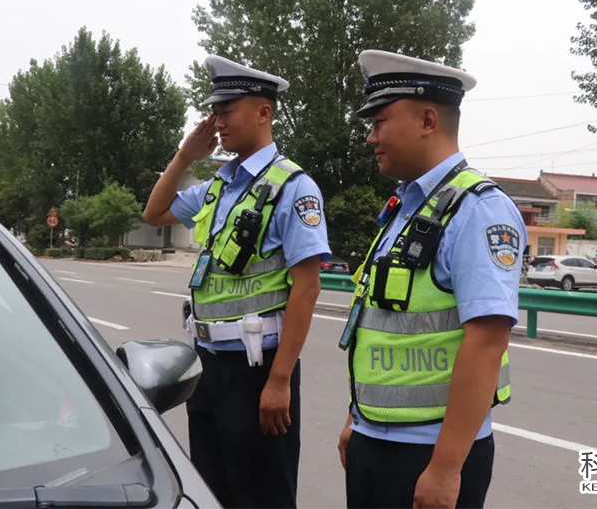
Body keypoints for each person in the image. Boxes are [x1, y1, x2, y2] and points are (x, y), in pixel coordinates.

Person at [337, 50, 525, 509]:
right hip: (373, 439)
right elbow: (378, 326)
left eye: (380, 122)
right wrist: (356, 418)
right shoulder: (407, 207)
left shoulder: (478, 210)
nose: (371, 137)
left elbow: (487, 341)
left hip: (429, 452)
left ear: (427, 120)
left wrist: (445, 468)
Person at [143, 55, 330, 508]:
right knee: (213, 490)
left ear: (264, 112)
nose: (218, 122)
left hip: (257, 367)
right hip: (207, 365)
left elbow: (307, 288)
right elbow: (154, 213)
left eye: (227, 111)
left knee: (261, 495)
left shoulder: (292, 187)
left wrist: (279, 380)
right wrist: (185, 155)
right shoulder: (219, 186)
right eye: (214, 112)